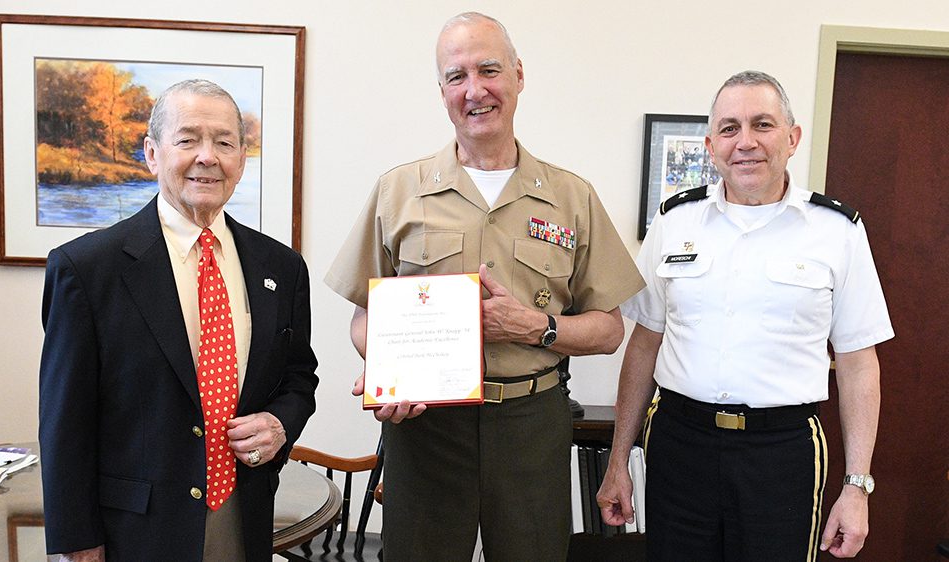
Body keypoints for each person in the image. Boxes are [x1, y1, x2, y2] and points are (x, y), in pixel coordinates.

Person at [325, 12, 644, 561]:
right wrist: (388, 370)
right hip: (428, 427)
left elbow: (610, 330)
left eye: (489, 70)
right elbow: (362, 317)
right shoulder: (399, 190)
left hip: (531, 422)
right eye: (457, 76)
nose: (475, 90)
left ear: (518, 75)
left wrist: (537, 327)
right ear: (442, 91)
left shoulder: (572, 197)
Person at [596, 70, 894, 561]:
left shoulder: (836, 231)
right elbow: (645, 343)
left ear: (792, 138)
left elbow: (860, 362)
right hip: (679, 443)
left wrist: (857, 487)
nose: (746, 142)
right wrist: (618, 461)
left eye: (763, 125)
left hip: (781, 453)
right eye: (730, 129)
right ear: (711, 145)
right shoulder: (674, 222)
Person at [39, 79, 319, 562]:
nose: (207, 156)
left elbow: (298, 376)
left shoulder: (282, 267)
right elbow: (65, 421)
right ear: (151, 153)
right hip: (133, 532)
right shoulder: (87, 269)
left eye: (225, 142)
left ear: (241, 158)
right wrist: (77, 540)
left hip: (243, 517)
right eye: (187, 139)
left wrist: (279, 423)